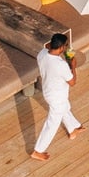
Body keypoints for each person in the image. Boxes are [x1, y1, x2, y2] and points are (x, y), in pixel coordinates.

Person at [31, 33, 83, 161]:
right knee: (52, 123)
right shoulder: (61, 65)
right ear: (61, 48)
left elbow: (48, 48)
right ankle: (38, 150)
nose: (66, 48)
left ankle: (73, 129)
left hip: (48, 90)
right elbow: (72, 82)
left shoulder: (42, 54)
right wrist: (73, 66)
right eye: (65, 46)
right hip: (57, 95)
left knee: (64, 108)